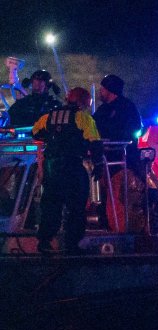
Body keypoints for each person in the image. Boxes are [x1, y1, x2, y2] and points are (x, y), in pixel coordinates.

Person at [31, 87, 101, 254]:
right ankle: (72, 244)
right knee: (76, 206)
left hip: (51, 167)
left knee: (51, 204)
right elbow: (95, 142)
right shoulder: (83, 118)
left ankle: (45, 242)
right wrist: (98, 164)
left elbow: (35, 133)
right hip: (72, 166)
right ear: (83, 102)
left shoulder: (48, 116)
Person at [92, 74, 143, 230]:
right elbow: (92, 127)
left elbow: (131, 132)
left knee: (119, 198)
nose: (101, 92)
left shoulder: (127, 108)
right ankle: (107, 224)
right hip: (104, 160)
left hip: (122, 161)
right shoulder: (102, 110)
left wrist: (110, 141)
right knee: (107, 197)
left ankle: (120, 229)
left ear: (110, 90)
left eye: (103, 89)